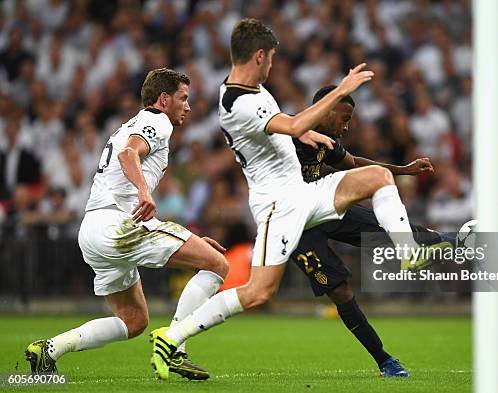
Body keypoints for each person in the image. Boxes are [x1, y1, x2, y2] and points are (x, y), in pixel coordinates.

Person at [150, 18, 429, 380]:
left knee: (379, 176)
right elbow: (291, 126)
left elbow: (287, 128)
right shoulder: (236, 102)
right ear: (260, 55)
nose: (272, 65)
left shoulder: (250, 90)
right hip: (278, 205)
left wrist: (306, 132)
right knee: (257, 293)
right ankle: (172, 336)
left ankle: (407, 251)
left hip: (304, 192)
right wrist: (338, 91)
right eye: (271, 58)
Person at [25, 68, 228, 381]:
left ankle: (50, 349)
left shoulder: (132, 123)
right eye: (183, 98)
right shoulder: (156, 120)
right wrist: (144, 192)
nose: (188, 106)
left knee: (134, 321)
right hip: (118, 224)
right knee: (216, 265)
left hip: (91, 230)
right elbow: (128, 153)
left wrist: (192, 241)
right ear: (164, 99)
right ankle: (175, 346)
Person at [291, 85, 461, 377]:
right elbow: (264, 127)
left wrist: (403, 170)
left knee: (385, 226)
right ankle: (384, 360)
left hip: (324, 207)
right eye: (343, 118)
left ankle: (452, 241)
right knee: (340, 291)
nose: (345, 127)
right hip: (292, 222)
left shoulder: (328, 142)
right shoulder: (289, 133)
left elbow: (354, 163)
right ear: (327, 108)